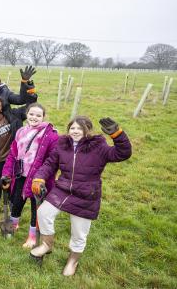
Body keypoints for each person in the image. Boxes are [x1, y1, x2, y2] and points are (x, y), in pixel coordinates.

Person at [30, 116, 132, 276]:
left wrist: (118, 135)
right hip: (63, 189)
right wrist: (39, 177)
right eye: (72, 128)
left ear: (87, 131)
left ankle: (73, 260)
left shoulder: (99, 147)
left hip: (86, 193)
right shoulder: (62, 145)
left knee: (79, 233)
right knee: (43, 213)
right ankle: (47, 244)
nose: (75, 131)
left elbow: (122, 153)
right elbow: (50, 163)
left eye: (79, 128)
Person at [0, 103, 58, 248]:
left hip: (38, 178)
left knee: (35, 206)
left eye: (38, 115)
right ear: (27, 114)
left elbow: (53, 160)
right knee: (17, 200)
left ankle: (32, 236)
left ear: (43, 117)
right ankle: (13, 225)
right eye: (31, 114)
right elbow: (13, 154)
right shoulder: (20, 131)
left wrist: (42, 178)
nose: (34, 117)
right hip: (20, 174)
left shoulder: (51, 135)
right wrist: (7, 173)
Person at [0, 66, 38, 195]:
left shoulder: (5, 92)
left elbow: (21, 100)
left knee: (2, 160)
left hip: (3, 128)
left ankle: (5, 189)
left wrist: (24, 83)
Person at [0, 91, 37, 215]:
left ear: (2, 108)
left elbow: (30, 106)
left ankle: (11, 203)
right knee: (0, 182)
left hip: (15, 157)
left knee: (13, 183)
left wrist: (29, 89)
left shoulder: (13, 116)